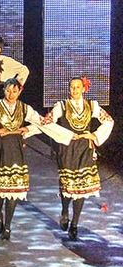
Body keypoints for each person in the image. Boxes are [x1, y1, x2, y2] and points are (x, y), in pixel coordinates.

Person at [0, 78, 47, 240]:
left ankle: (8, 226)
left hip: (15, 148)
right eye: (8, 90)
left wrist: (28, 129)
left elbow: (43, 123)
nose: (11, 94)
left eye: (14, 91)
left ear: (20, 91)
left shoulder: (25, 108)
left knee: (13, 188)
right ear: (4, 90)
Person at [47, 76, 115, 241]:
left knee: (82, 187)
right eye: (72, 87)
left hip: (85, 149)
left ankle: (75, 223)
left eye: (78, 87)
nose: (74, 90)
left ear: (84, 89)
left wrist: (94, 135)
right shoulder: (62, 106)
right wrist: (65, 135)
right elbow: (47, 122)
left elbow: (109, 121)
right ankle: (65, 211)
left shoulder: (92, 106)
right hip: (67, 150)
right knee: (68, 185)